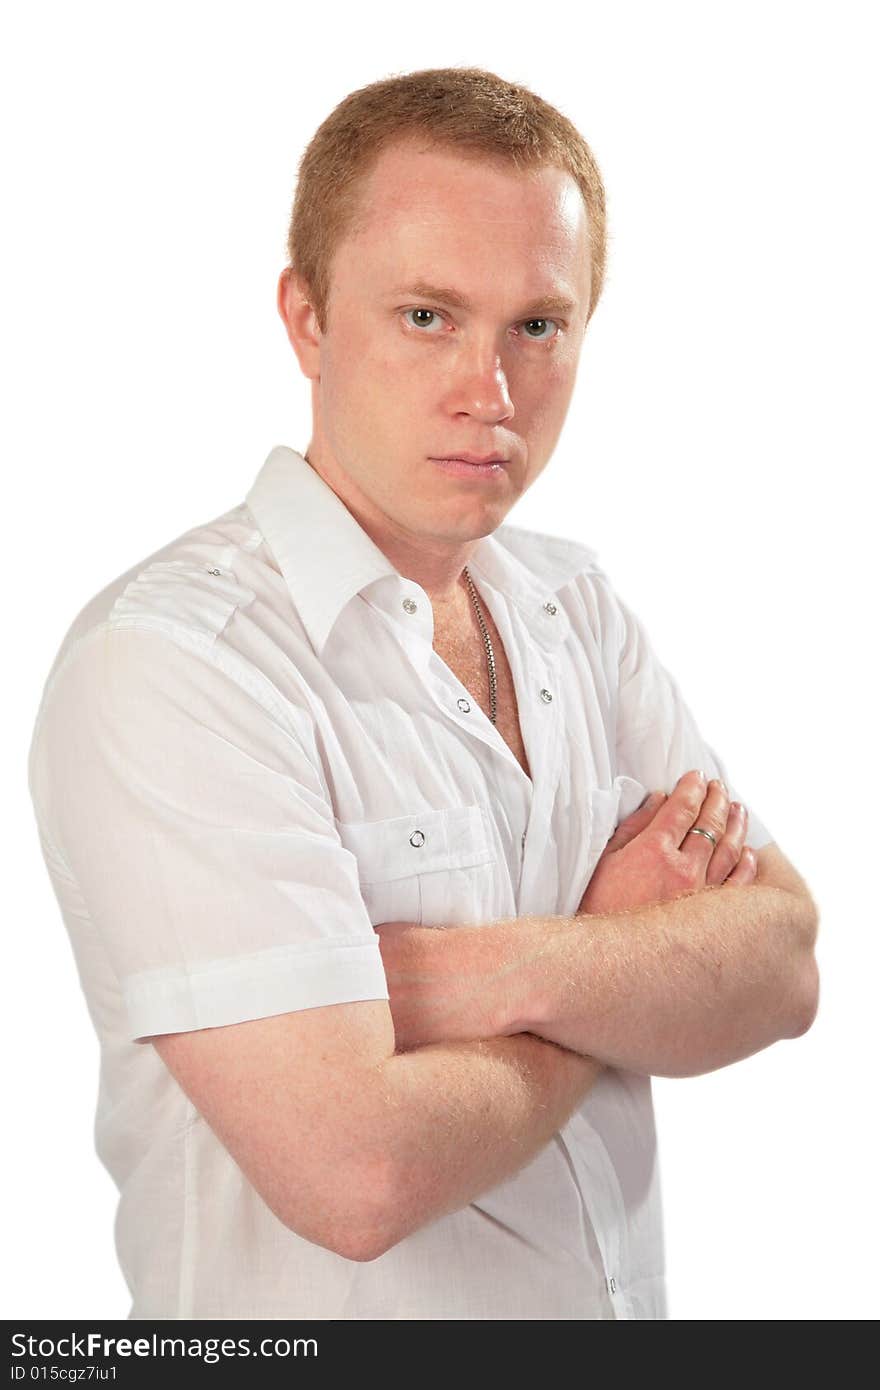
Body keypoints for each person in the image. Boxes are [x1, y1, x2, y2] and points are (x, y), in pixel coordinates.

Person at [27, 65, 819, 1321]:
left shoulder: (576, 612)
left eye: (538, 326)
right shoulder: (179, 660)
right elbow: (358, 1168)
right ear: (305, 319)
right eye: (426, 317)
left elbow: (780, 966)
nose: (489, 392)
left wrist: (475, 976)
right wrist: (620, 970)